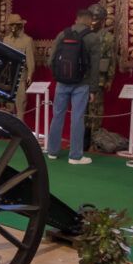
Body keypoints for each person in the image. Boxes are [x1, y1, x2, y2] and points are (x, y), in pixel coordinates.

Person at [47, 9, 101, 165]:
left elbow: (51, 60)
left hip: (62, 83)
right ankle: (75, 156)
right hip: (81, 84)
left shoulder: (62, 34)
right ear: (90, 21)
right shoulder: (92, 37)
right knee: (77, 117)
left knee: (57, 116)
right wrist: (93, 89)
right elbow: (95, 66)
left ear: (76, 19)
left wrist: (59, 76)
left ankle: (52, 151)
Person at [85, 3, 116, 146]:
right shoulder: (84, 34)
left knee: (95, 111)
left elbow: (111, 60)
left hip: (98, 79)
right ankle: (82, 140)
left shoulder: (108, 38)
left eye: (96, 18)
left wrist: (109, 79)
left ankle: (95, 141)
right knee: (81, 110)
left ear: (103, 20)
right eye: (90, 18)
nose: (92, 21)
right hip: (83, 79)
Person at [3, 13, 35, 118]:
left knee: (21, 105)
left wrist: (30, 74)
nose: (13, 27)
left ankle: (19, 127)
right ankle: (8, 127)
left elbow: (30, 60)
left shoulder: (27, 40)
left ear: (20, 25)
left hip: (21, 78)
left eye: (15, 25)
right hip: (8, 78)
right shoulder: (6, 40)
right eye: (11, 25)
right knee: (8, 106)